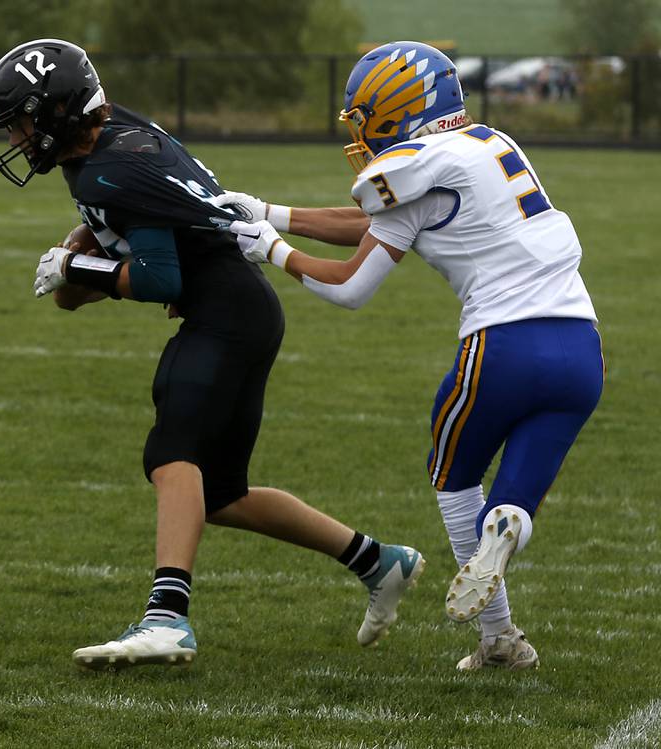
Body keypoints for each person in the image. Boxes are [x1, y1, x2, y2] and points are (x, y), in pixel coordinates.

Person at [0, 38, 425, 670]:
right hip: (241, 307)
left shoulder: (110, 168)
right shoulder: (112, 137)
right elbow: (134, 219)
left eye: (23, 122)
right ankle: (379, 562)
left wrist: (78, 266)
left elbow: (163, 279)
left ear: (54, 114)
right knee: (219, 493)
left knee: (171, 455)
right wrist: (82, 251)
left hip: (226, 315)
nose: (18, 138)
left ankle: (167, 619)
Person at [219, 40, 603, 671]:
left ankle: (498, 638)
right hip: (582, 350)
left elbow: (349, 286)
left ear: (397, 108)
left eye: (365, 114)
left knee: (454, 480)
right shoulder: (489, 144)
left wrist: (272, 249)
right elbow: (381, 223)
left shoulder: (412, 168)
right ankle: (507, 530)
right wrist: (272, 213)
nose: (360, 129)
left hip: (502, 345)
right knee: (512, 498)